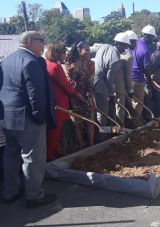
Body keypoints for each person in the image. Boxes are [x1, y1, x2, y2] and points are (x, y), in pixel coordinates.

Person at [0, 31, 57, 208]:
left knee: (11, 154)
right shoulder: (31, 62)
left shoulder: (6, 61)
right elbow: (36, 96)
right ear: (30, 41)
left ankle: (10, 192)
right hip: (28, 118)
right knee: (33, 157)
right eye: (42, 41)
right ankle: (34, 196)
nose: (44, 45)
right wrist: (40, 119)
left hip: (8, 117)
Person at [44, 42, 81, 160]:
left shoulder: (47, 63)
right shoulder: (56, 67)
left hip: (52, 101)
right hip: (59, 103)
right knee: (55, 131)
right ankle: (50, 156)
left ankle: (52, 153)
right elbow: (67, 87)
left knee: (51, 130)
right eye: (63, 52)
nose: (65, 55)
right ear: (57, 53)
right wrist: (75, 91)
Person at [94, 32, 130, 129]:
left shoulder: (104, 46)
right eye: (125, 46)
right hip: (100, 83)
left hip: (93, 78)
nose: (125, 49)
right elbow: (109, 80)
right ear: (119, 44)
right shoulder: (116, 60)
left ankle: (111, 130)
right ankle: (102, 135)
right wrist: (110, 94)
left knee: (103, 109)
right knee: (103, 111)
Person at [65, 41, 95, 149]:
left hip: (86, 96)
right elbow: (69, 81)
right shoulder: (69, 63)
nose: (88, 52)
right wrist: (76, 94)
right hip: (74, 96)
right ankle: (81, 142)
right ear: (79, 50)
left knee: (90, 119)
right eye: (86, 49)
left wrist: (89, 97)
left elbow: (90, 83)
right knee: (76, 120)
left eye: (89, 49)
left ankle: (91, 144)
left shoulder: (90, 64)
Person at [131, 25, 156, 122]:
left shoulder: (134, 43)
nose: (153, 39)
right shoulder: (146, 50)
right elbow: (146, 67)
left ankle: (132, 120)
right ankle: (136, 122)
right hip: (137, 78)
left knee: (131, 101)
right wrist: (150, 80)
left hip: (128, 76)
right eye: (152, 36)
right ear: (148, 36)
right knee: (138, 102)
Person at [114, 30, 136, 127]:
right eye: (134, 42)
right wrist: (130, 90)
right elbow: (127, 76)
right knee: (120, 107)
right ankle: (121, 127)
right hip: (120, 86)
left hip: (114, 85)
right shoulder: (129, 56)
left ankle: (122, 124)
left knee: (119, 106)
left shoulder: (118, 52)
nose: (135, 44)